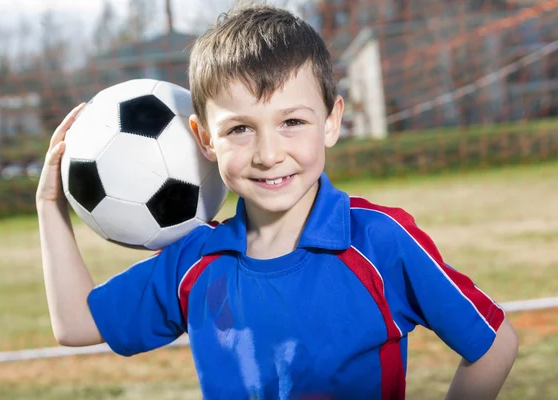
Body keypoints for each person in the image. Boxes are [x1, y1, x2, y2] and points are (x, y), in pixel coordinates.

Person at [36, 4, 518, 399]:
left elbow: (493, 345)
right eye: (240, 129)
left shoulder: (378, 240)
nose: (269, 155)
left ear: (332, 121)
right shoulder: (192, 262)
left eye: (292, 122)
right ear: (204, 139)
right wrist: (50, 205)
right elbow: (77, 324)